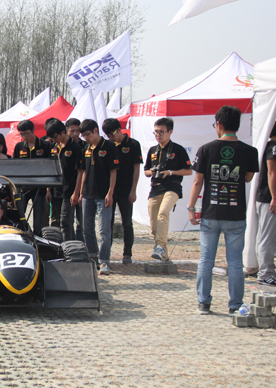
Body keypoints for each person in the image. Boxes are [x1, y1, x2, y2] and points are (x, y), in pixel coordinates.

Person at [188, 106, 259, 315]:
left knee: (206, 260)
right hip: (236, 214)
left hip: (211, 213)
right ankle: (235, 304)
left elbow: (197, 181)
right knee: (235, 262)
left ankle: (204, 303)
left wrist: (191, 208)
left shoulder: (206, 149)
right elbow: (247, 178)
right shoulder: (250, 151)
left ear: (218, 124)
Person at [144, 117, 192, 262]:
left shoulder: (178, 149)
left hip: (172, 186)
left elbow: (188, 171)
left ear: (170, 132)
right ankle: (162, 253)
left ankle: (159, 247)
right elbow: (146, 171)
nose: (158, 135)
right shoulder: (153, 150)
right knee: (154, 225)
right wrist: (152, 172)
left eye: (161, 132)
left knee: (163, 213)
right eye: (155, 132)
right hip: (155, 188)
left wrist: (170, 172)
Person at [79, 119, 119, 275]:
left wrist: (110, 192)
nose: (86, 138)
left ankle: (104, 261)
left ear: (95, 130)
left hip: (103, 195)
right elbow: (83, 172)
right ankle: (92, 256)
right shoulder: (86, 148)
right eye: (83, 136)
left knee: (104, 231)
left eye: (87, 134)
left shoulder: (109, 147)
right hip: (87, 194)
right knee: (87, 229)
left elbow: (113, 171)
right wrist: (81, 192)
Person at [103, 118, 143, 264]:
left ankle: (127, 253)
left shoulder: (133, 144)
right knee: (108, 222)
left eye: (112, 134)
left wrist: (133, 190)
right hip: (110, 189)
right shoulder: (108, 145)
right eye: (107, 135)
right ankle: (106, 253)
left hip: (126, 189)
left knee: (126, 222)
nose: (110, 137)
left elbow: (136, 169)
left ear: (119, 130)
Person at [45, 118, 84, 242]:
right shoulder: (54, 147)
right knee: (58, 221)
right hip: (56, 190)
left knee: (66, 221)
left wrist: (76, 192)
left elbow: (80, 172)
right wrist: (48, 190)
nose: (54, 140)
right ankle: (64, 245)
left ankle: (68, 247)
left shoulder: (75, 147)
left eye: (55, 137)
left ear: (63, 132)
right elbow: (50, 170)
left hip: (70, 190)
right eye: (52, 138)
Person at [12, 119, 52, 235]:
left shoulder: (45, 146)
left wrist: (48, 189)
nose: (24, 137)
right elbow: (14, 167)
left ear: (33, 130)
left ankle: (37, 240)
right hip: (23, 188)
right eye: (21, 134)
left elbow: (49, 168)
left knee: (38, 221)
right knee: (18, 218)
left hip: (40, 188)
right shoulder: (19, 146)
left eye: (27, 133)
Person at [254, 120, 276, 286]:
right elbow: (271, 172)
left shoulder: (272, 146)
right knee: (267, 237)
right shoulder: (274, 146)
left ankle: (266, 271)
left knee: (266, 236)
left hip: (267, 198)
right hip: (268, 199)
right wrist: (275, 197)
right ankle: (265, 273)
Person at [65, 118, 86, 240]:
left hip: (83, 188)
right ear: (66, 131)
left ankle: (81, 244)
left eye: (78, 131)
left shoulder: (86, 146)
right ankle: (71, 244)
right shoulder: (63, 145)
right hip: (68, 188)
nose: (75, 133)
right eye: (72, 131)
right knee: (67, 221)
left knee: (81, 222)